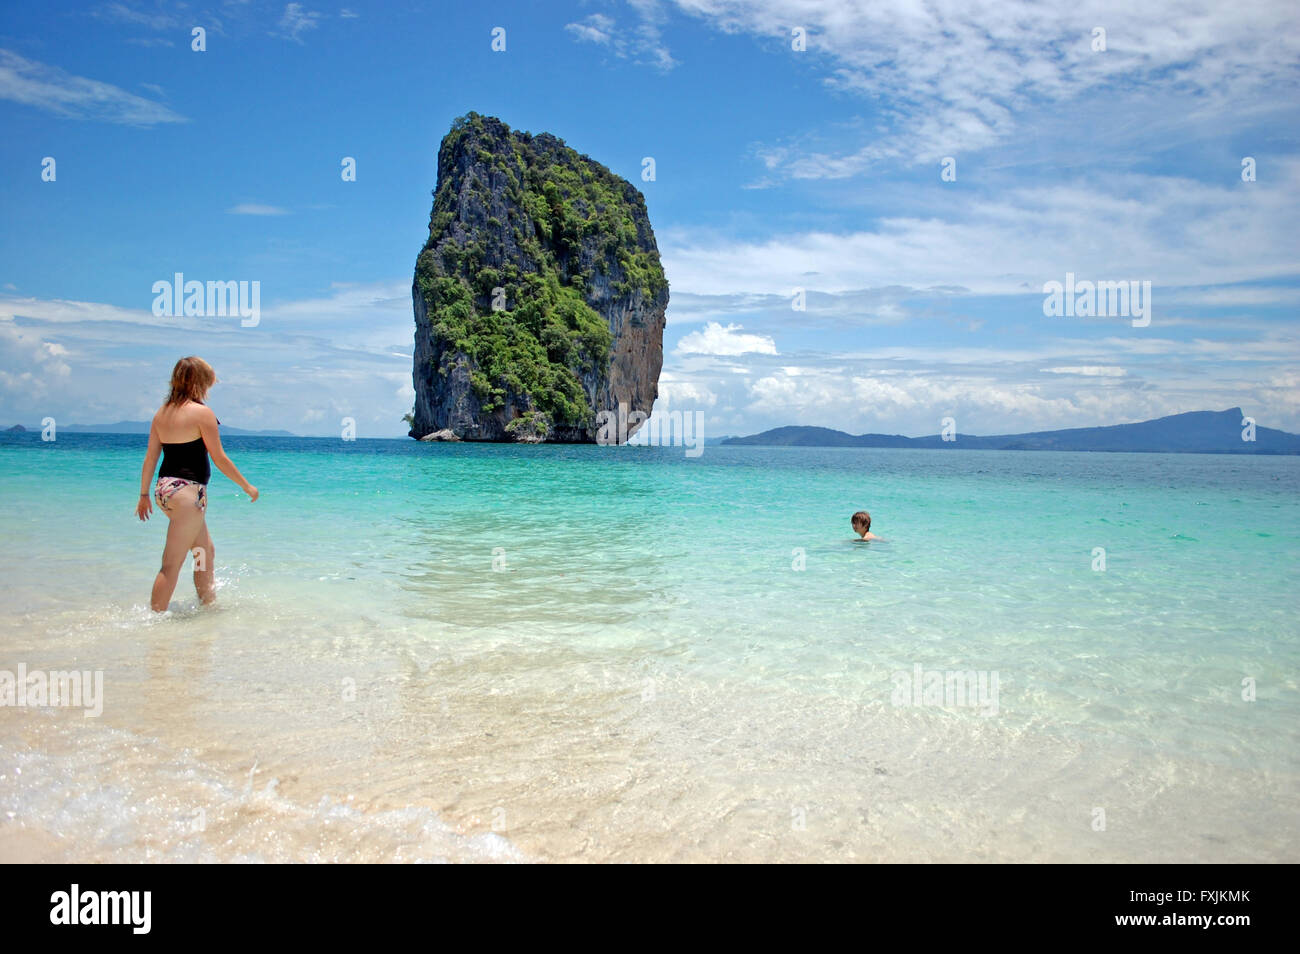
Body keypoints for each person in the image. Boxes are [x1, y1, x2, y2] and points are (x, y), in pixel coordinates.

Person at [135, 356, 258, 611]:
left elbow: (150, 458)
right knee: (171, 564)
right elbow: (219, 458)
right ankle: (154, 620)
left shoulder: (161, 414)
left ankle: (207, 608)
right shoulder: (202, 413)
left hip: (165, 492)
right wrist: (246, 486)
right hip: (187, 495)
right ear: (200, 382)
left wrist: (144, 495)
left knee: (204, 552)